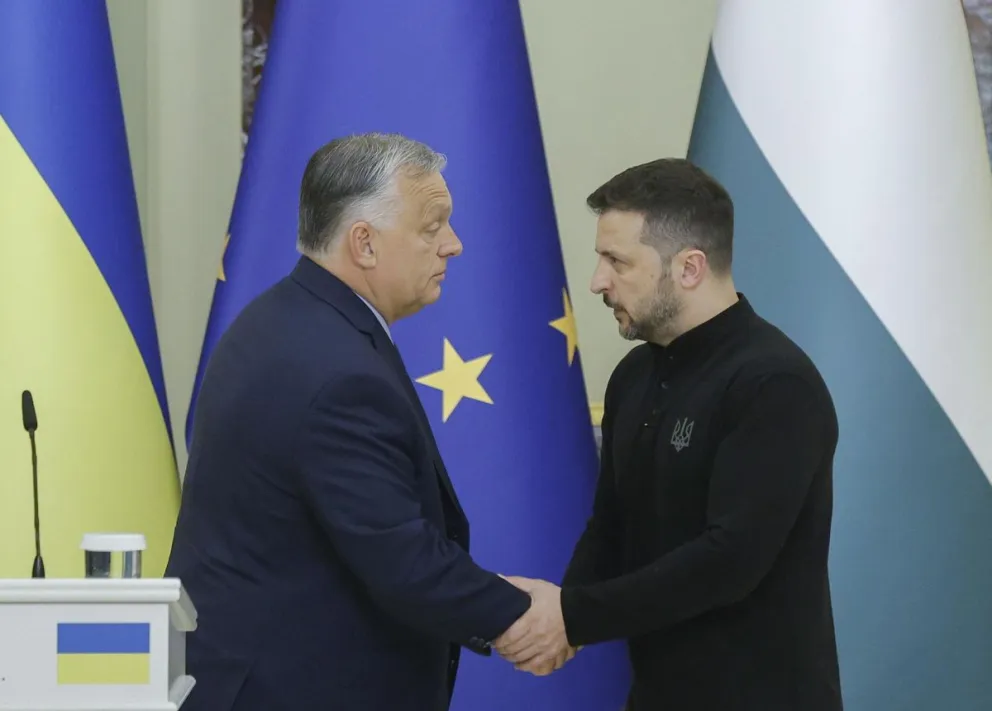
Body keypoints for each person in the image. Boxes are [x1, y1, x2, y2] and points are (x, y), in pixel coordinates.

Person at [165, 133, 556, 711]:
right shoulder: (335, 371)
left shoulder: (287, 320)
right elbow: (399, 555)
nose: (454, 245)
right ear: (365, 243)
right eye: (432, 227)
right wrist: (521, 614)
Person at [496, 158, 844, 710]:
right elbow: (612, 525)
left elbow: (729, 561)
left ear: (689, 268)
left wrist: (571, 616)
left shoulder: (775, 384)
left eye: (616, 261)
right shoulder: (633, 376)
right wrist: (560, 618)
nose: (596, 282)